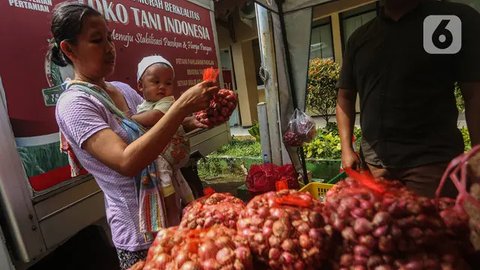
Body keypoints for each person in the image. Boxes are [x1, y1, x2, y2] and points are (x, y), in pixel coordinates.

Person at [50, 2, 218, 269]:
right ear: (69, 49)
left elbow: (156, 131)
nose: (109, 48)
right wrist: (181, 106)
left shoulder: (122, 89)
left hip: (171, 214)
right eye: (97, 40)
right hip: (139, 236)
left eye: (110, 38)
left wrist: (190, 121)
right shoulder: (75, 105)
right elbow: (127, 161)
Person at [336, 0, 480, 198]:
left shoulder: (451, 20)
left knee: (432, 226)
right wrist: (346, 148)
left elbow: (474, 92)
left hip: (432, 165)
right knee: (379, 226)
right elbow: (345, 97)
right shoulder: (360, 39)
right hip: (374, 166)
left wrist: (477, 154)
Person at [131, 55, 204, 226]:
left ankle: (172, 216)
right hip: (167, 155)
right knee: (179, 183)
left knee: (165, 180)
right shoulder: (144, 106)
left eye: (168, 83)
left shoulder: (168, 103)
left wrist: (131, 118)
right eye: (156, 82)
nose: (162, 87)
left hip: (167, 154)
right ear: (140, 85)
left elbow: (155, 117)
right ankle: (190, 210)